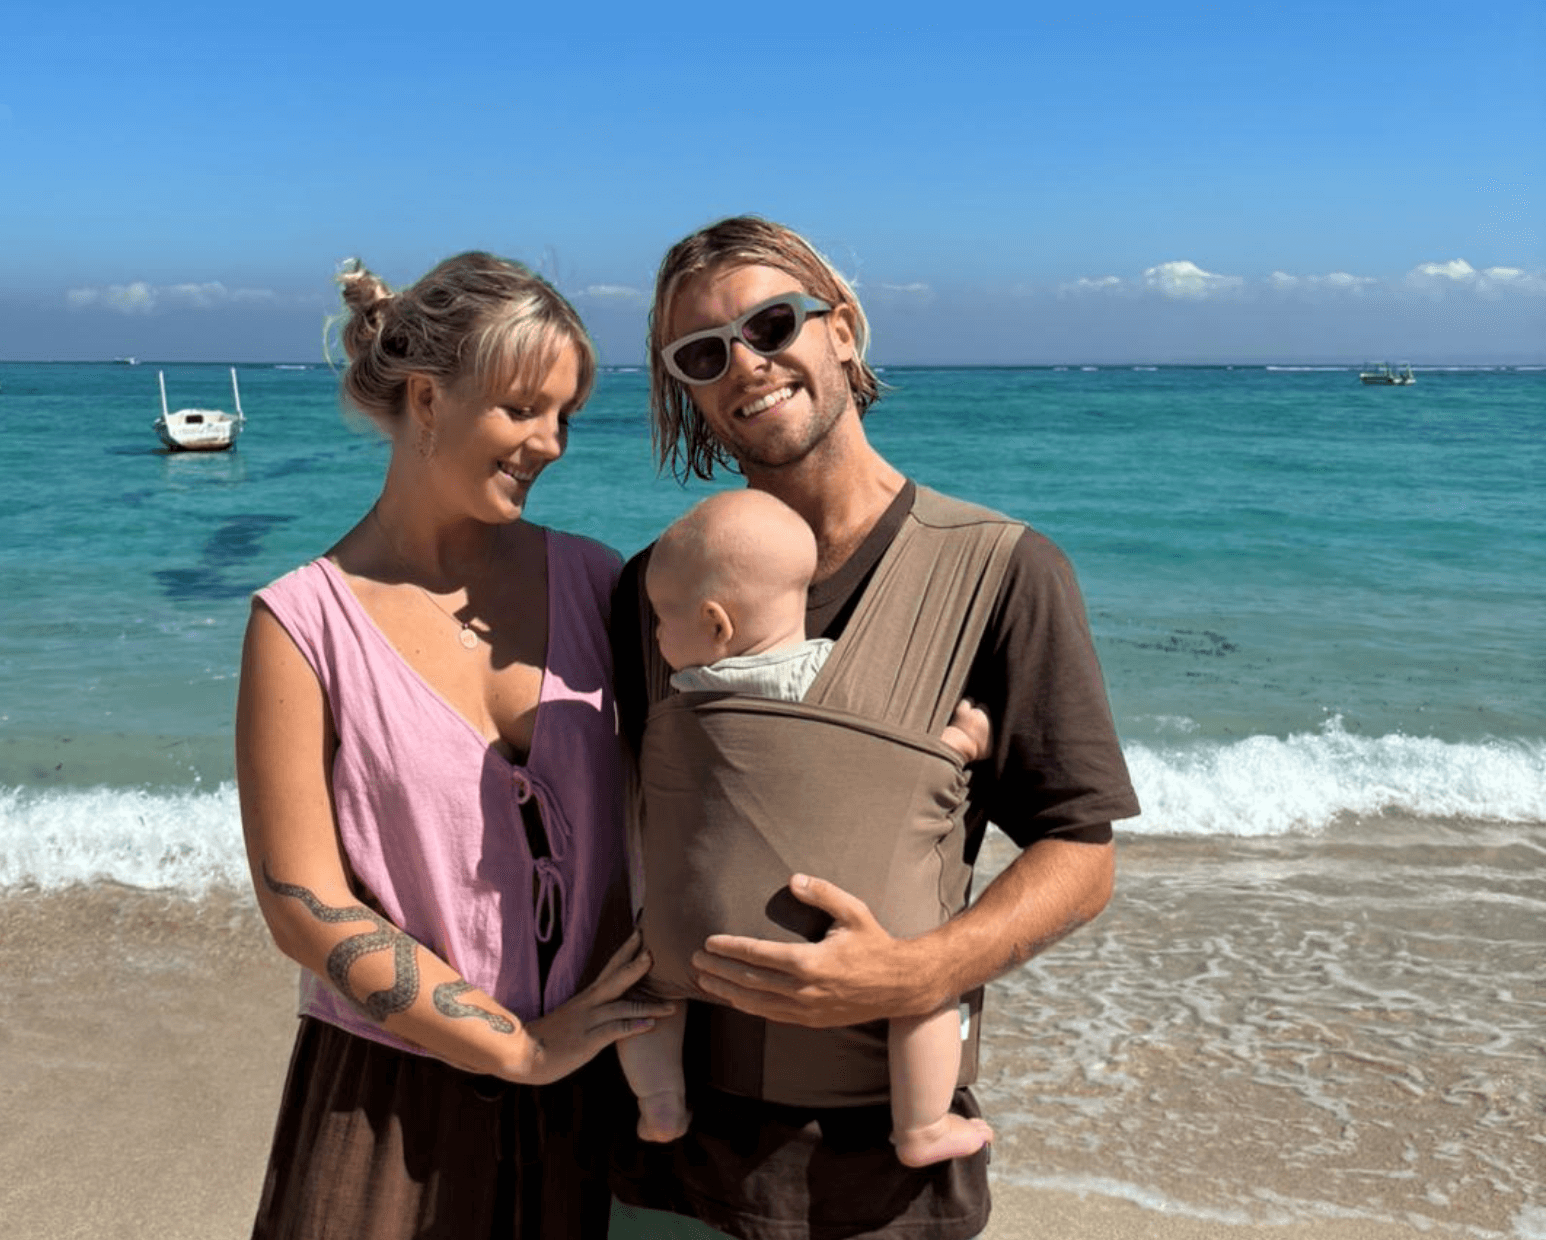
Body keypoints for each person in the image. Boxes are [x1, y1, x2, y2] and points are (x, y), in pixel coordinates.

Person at [608, 217, 1142, 1239]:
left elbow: (1080, 853)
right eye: (702, 354)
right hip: (668, 1159)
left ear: (841, 331)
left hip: (877, 1183)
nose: (746, 366)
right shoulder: (657, 590)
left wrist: (918, 973)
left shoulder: (1001, 572)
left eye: (772, 325)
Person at [235, 252, 670, 1239]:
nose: (551, 443)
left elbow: (710, 754)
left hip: (599, 1083)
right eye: (523, 409)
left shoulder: (599, 585)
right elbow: (301, 905)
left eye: (566, 415)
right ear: (428, 397)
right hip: (390, 1102)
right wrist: (515, 1047)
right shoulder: (301, 625)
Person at [619, 487, 998, 1168]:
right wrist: (962, 743)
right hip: (863, 937)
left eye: (660, 621)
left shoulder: (688, 691)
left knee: (645, 989)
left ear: (716, 626)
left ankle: (661, 1102)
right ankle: (922, 1127)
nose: (654, 638)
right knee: (926, 992)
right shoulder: (856, 688)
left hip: (690, 937)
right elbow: (906, 765)